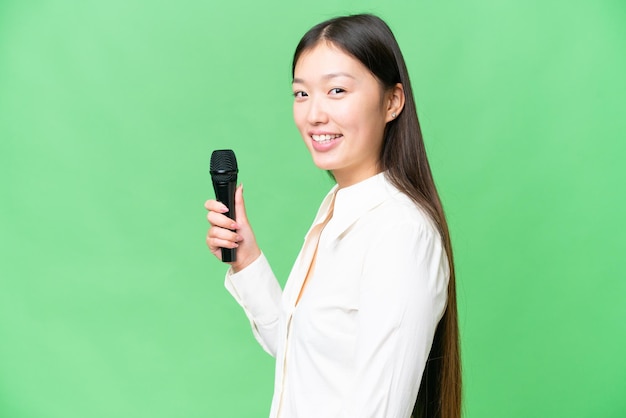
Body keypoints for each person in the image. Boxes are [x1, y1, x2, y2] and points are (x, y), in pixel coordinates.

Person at [205, 14, 461, 418]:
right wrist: (247, 259)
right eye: (301, 94)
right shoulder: (337, 206)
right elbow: (302, 353)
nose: (314, 114)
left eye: (337, 90)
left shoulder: (400, 231)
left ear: (392, 101)